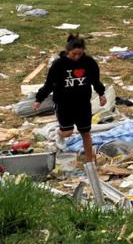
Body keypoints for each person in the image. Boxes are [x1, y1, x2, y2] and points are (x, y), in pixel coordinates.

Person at [33, 34, 106, 164]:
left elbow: (95, 80)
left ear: (83, 51)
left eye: (79, 54)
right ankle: (58, 133)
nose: (77, 57)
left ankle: (90, 162)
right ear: (68, 51)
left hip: (83, 103)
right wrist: (39, 99)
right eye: (74, 54)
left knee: (86, 132)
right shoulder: (58, 65)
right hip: (64, 103)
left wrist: (101, 94)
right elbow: (49, 84)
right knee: (67, 132)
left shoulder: (89, 62)